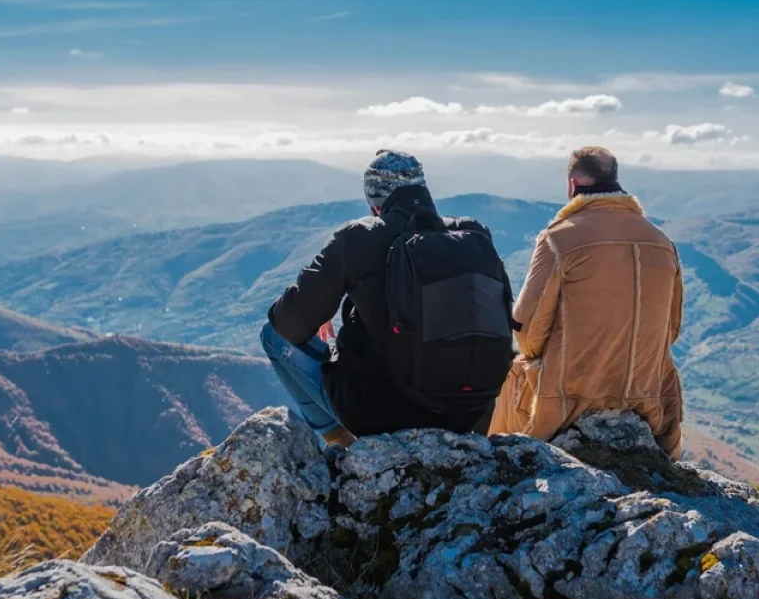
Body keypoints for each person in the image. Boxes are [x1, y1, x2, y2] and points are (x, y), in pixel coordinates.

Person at [261, 150, 512, 447]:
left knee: (272, 336)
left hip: (384, 416)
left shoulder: (359, 236)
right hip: (469, 414)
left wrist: (322, 306)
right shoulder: (471, 234)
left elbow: (288, 322)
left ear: (375, 204)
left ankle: (340, 445)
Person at [488, 146, 686, 459]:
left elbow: (527, 333)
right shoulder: (662, 242)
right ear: (616, 181)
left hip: (567, 403)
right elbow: (671, 330)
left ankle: (496, 467)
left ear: (572, 185)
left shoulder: (559, 238)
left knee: (513, 371)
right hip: (649, 401)